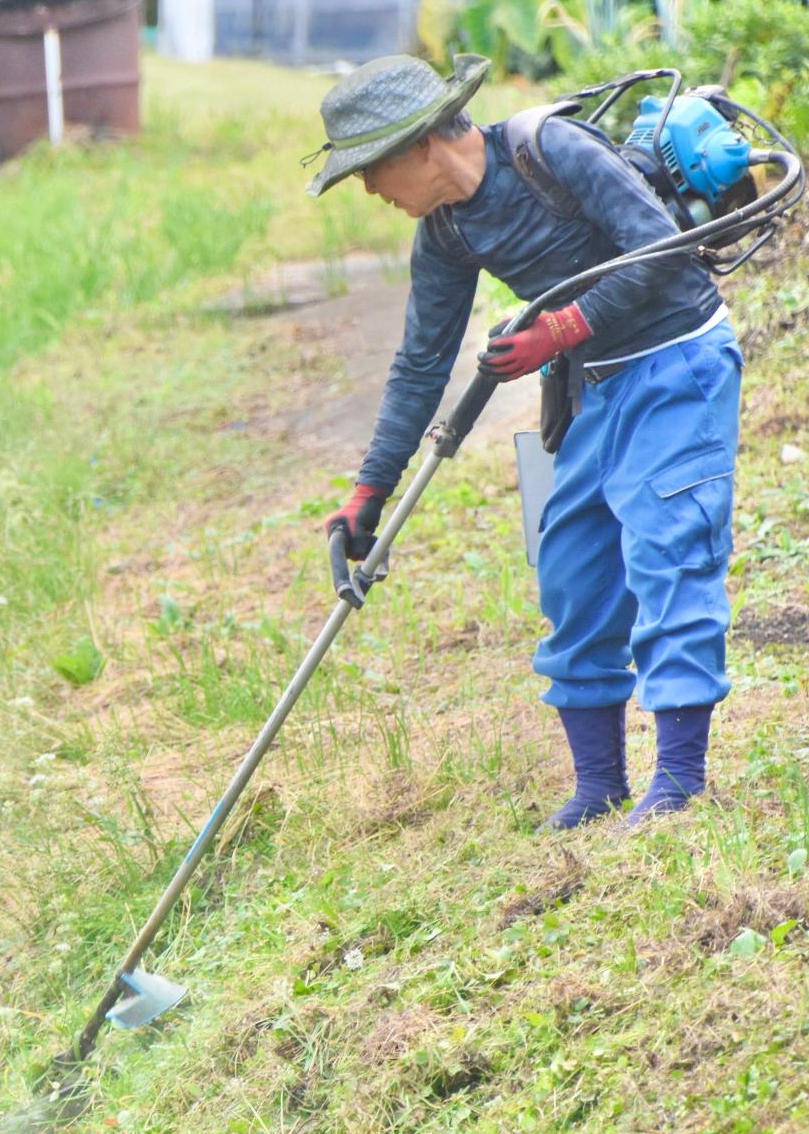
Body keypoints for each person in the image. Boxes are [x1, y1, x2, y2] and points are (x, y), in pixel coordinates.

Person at [305, 53, 740, 829]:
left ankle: (678, 780)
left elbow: (660, 248)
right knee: (572, 571)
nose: (371, 190)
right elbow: (419, 363)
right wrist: (367, 492)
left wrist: (561, 329)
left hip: (679, 359)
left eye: (371, 170)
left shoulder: (553, 150)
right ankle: (599, 781)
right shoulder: (444, 232)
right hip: (593, 383)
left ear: (419, 147)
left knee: (668, 549)